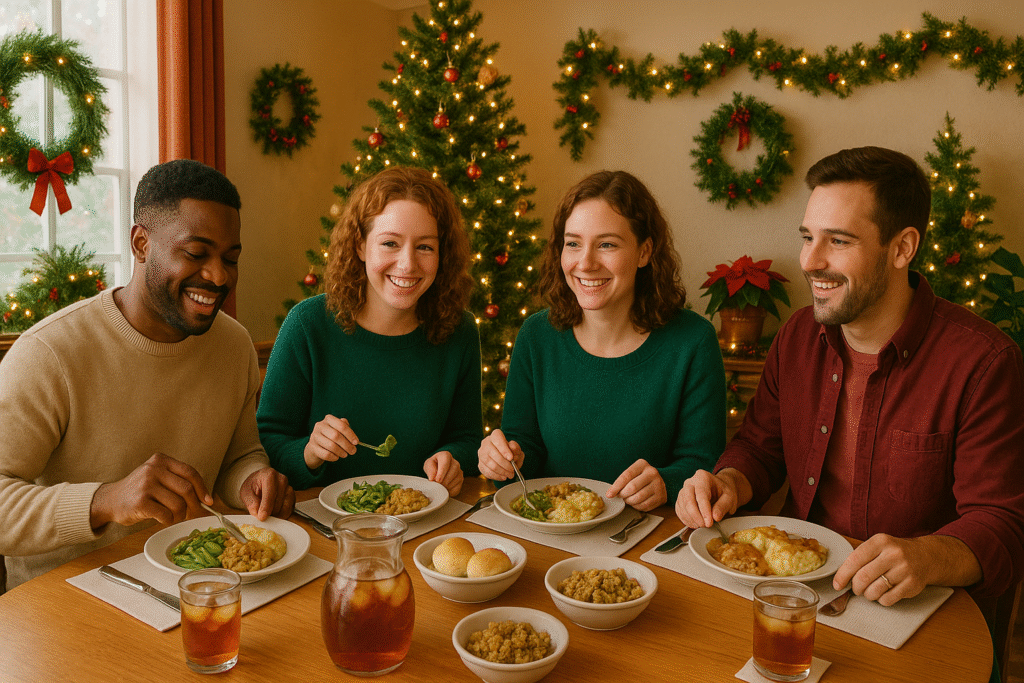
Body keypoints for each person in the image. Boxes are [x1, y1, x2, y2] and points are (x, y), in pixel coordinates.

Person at [675, 147, 1024, 621]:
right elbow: (758, 448)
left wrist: (928, 556)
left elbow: (1004, 525)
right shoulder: (797, 336)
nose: (810, 261)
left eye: (838, 241)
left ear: (902, 248)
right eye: (808, 237)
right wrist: (728, 482)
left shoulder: (983, 362)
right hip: (794, 592)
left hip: (916, 611)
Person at [0, 159, 294, 590]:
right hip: (61, 603)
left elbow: (240, 454)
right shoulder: (49, 354)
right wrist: (105, 500)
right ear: (141, 243)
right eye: (196, 254)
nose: (218, 276)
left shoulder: (233, 344)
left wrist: (251, 478)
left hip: (193, 585)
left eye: (230, 259)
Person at [478, 170, 725, 511]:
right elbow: (525, 450)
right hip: (550, 528)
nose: (586, 263)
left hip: (648, 529)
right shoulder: (536, 336)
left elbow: (704, 464)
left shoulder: (692, 342)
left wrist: (667, 483)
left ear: (644, 252)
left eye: (607, 244)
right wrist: (505, 461)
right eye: (573, 243)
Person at [257, 167, 481, 496]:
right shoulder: (307, 324)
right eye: (390, 243)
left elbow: (467, 439)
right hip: (322, 519)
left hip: (427, 516)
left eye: (425, 247)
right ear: (360, 246)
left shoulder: (460, 331)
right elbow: (266, 444)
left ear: (442, 254)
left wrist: (453, 460)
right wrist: (310, 452)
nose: (408, 264)